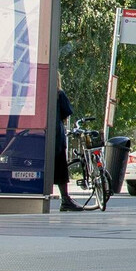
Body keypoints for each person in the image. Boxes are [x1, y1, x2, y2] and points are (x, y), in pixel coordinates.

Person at [54, 77, 82, 211]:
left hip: (42, 135)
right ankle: (65, 199)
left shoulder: (40, 94)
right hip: (57, 135)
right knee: (60, 167)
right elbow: (66, 114)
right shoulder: (59, 94)